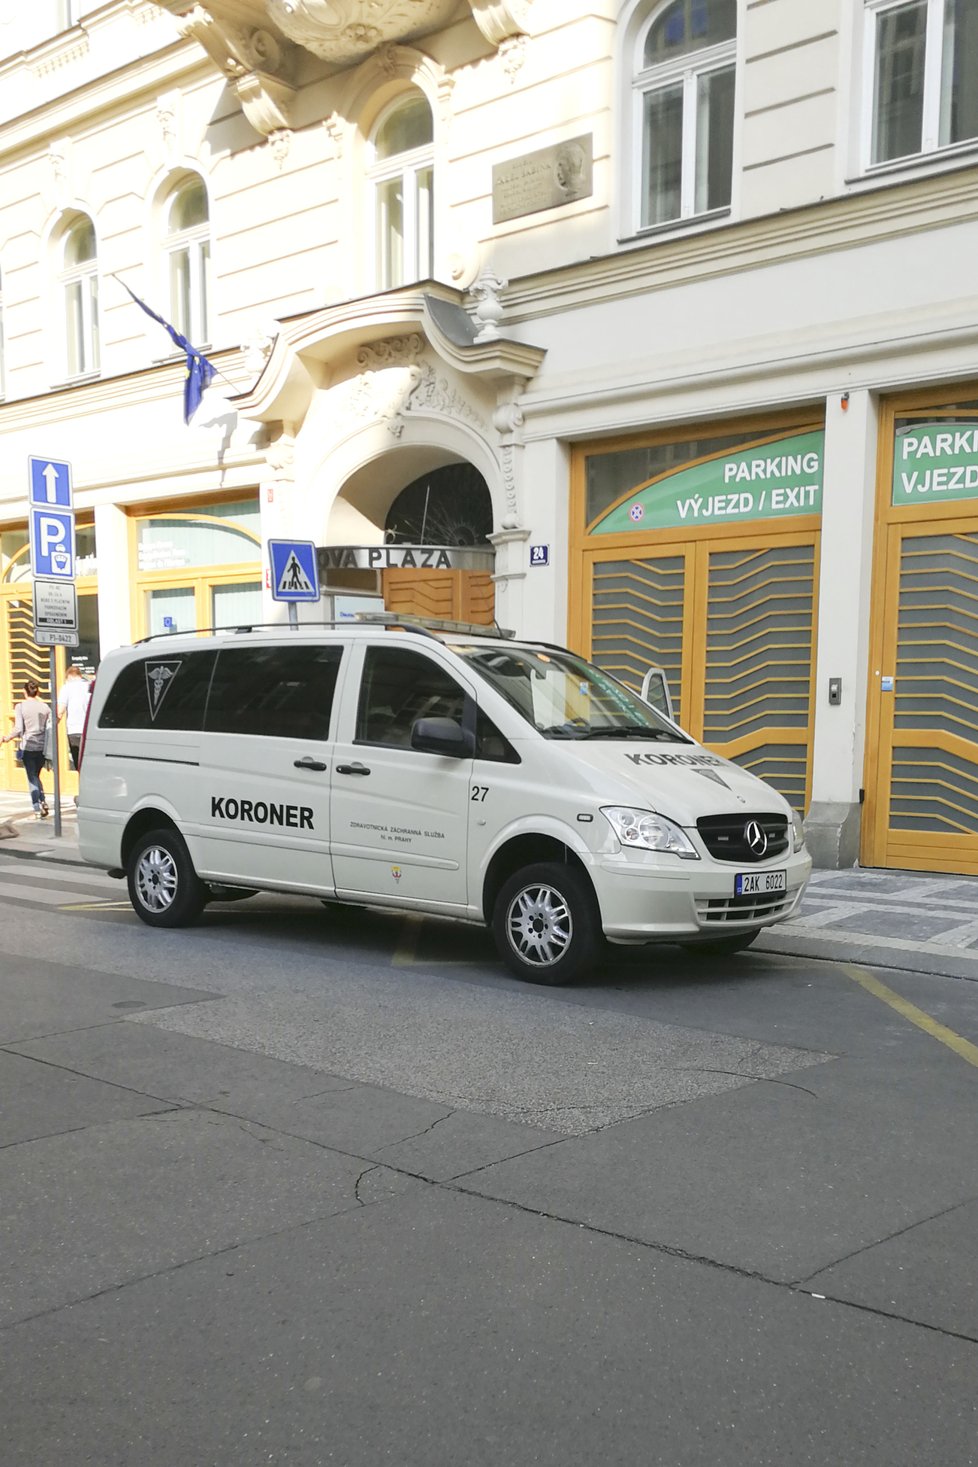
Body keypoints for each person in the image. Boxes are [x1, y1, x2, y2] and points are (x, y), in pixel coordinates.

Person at [2, 680, 50, 818]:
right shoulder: (45, 707)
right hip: (42, 747)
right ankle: (43, 801)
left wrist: (7, 738)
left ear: (24, 691)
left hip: (28, 746)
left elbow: (18, 728)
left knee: (32, 777)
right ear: (37, 692)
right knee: (36, 775)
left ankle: (36, 807)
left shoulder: (21, 707)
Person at [58, 664, 92, 772]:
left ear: (69, 677)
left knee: (79, 765)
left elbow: (60, 711)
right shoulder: (89, 686)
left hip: (74, 731)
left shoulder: (67, 687)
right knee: (89, 764)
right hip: (89, 730)